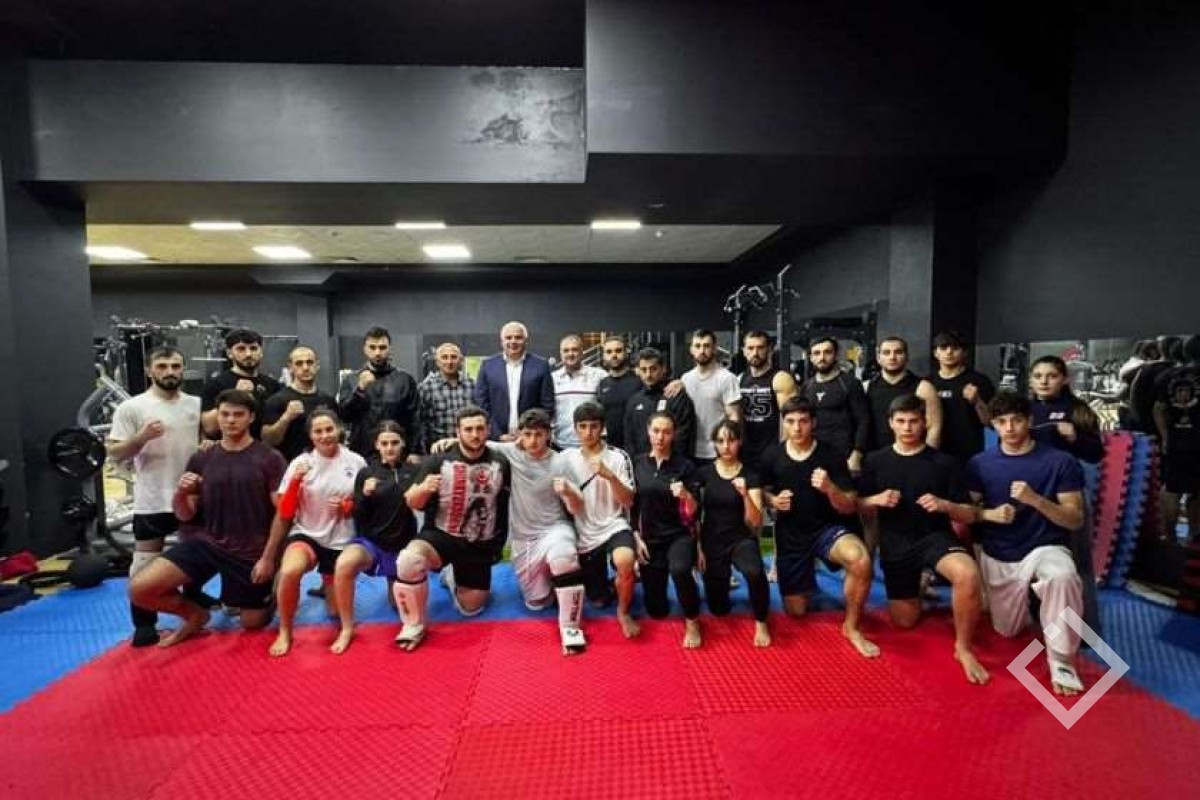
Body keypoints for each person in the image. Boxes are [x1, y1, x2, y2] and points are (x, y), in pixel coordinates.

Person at [129, 389, 286, 647]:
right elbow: (185, 513)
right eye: (225, 414)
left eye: (238, 415)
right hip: (208, 543)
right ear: (218, 417)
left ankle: (275, 586)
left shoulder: (269, 458)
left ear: (251, 417)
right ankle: (195, 615)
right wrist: (181, 493)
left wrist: (270, 558)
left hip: (251, 551)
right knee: (140, 589)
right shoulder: (202, 458)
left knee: (252, 622)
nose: (230, 420)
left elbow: (283, 512)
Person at [858, 394, 989, 684]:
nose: (907, 427)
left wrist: (946, 505)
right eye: (901, 421)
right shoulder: (876, 461)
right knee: (904, 621)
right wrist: (876, 499)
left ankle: (963, 648)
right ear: (891, 423)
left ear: (925, 422)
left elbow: (970, 514)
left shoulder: (944, 463)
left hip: (935, 537)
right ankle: (919, 583)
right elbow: (857, 505)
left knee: (967, 575)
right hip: (896, 542)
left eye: (914, 421)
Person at [966, 392, 1088, 696]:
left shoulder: (1059, 461)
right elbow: (967, 513)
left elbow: (1075, 520)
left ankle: (1062, 661)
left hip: (1045, 547)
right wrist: (988, 514)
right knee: (1007, 630)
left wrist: (1036, 500)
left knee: (1062, 576)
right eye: (1001, 422)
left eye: (1017, 420)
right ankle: (1035, 604)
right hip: (1000, 553)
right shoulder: (980, 464)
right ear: (993, 425)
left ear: (1029, 420)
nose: (1009, 428)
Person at [759, 397, 878, 658]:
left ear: (813, 422)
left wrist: (830, 488)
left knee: (860, 561)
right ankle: (806, 574)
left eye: (803, 421)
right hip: (791, 535)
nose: (797, 428)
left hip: (828, 528)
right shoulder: (772, 455)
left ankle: (852, 626)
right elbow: (762, 493)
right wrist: (773, 500)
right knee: (796, 611)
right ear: (783, 423)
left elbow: (850, 504)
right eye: (791, 421)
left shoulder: (831, 455)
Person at [391, 406, 511, 650]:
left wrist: (497, 544)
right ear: (457, 432)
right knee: (409, 560)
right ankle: (413, 625)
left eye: (480, 428)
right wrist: (424, 489)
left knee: (472, 608)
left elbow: (502, 506)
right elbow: (411, 501)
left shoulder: (500, 462)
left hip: (479, 542)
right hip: (442, 534)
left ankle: (451, 576)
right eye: (468, 429)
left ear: (488, 430)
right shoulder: (438, 460)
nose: (475, 434)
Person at [108, 346, 204, 647]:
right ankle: (144, 623)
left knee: (197, 554)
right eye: (162, 366)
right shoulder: (133, 408)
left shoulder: (195, 405)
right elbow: (114, 452)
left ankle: (194, 602)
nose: (169, 372)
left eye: (175, 366)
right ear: (150, 370)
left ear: (183, 369)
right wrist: (141, 437)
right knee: (144, 562)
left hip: (191, 496)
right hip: (152, 497)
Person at [479, 408, 589, 654]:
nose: (532, 441)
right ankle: (556, 583)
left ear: (548, 434)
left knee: (564, 558)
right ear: (520, 434)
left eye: (538, 434)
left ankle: (571, 628)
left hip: (555, 529)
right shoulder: (511, 453)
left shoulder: (560, 462)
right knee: (537, 603)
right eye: (527, 434)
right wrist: (449, 441)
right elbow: (479, 443)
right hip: (525, 539)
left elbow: (578, 506)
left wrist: (568, 491)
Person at [267, 409, 367, 657]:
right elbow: (285, 511)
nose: (325, 436)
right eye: (318, 431)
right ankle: (285, 630)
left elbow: (367, 505)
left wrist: (348, 507)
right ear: (311, 436)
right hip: (307, 534)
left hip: (341, 539)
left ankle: (336, 604)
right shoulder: (301, 463)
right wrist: (295, 482)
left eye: (329, 429)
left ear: (339, 429)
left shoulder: (356, 462)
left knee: (335, 612)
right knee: (290, 571)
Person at [1028, 355, 1104, 632]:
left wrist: (1075, 437)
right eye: (1038, 376)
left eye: (1051, 376)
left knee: (1075, 562)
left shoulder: (1078, 410)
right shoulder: (1025, 410)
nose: (1044, 381)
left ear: (1064, 379)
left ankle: (1079, 627)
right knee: (1032, 561)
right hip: (1031, 493)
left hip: (1066, 495)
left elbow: (1096, 454)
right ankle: (1036, 622)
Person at [331, 421, 419, 654]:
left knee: (397, 605)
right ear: (377, 445)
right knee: (344, 564)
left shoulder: (413, 471)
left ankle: (399, 580)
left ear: (402, 444)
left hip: (403, 547)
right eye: (384, 443)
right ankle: (346, 628)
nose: (389, 448)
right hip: (373, 543)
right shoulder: (367, 473)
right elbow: (358, 515)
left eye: (394, 443)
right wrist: (364, 496)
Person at [560, 401, 642, 638]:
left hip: (614, 525)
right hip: (585, 533)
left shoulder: (618, 457)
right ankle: (618, 582)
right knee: (597, 600)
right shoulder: (565, 458)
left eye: (594, 426)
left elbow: (628, 502)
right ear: (575, 428)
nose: (588, 432)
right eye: (583, 426)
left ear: (602, 427)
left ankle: (623, 612)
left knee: (624, 560)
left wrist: (611, 477)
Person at [697, 419, 771, 647]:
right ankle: (722, 583)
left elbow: (755, 522)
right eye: (720, 441)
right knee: (718, 609)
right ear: (714, 444)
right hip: (712, 540)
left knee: (754, 571)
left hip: (741, 538)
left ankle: (762, 621)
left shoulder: (750, 475)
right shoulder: (704, 474)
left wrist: (745, 495)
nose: (726, 446)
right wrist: (698, 547)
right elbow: (694, 516)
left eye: (731, 440)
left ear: (739, 442)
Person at [632, 412, 703, 648]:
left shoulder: (685, 466)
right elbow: (631, 506)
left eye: (666, 432)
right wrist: (635, 537)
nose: (660, 437)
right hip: (650, 539)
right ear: (648, 432)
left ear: (674, 435)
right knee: (657, 611)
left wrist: (686, 495)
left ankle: (693, 620)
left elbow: (695, 512)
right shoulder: (638, 463)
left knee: (680, 570)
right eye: (656, 431)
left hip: (678, 536)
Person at [338, 326, 422, 459]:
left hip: (397, 453)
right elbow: (344, 416)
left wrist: (415, 451)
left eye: (382, 347)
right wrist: (359, 389)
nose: (377, 352)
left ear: (389, 349)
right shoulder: (351, 380)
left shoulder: (405, 380)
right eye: (372, 347)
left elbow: (415, 419)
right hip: (362, 453)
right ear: (365, 349)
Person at [474, 320, 555, 441]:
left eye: (518, 337)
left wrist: (528, 433)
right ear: (501, 342)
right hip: (496, 439)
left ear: (526, 341)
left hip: (531, 439)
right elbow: (481, 403)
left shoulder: (541, 366)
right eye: (508, 337)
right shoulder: (488, 365)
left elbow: (547, 405)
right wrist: (498, 435)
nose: (513, 341)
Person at [1153, 335, 1200, 542]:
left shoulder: (1166, 376)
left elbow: (1158, 409)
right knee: (1196, 491)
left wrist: (1165, 437)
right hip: (1197, 441)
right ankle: (1194, 533)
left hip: (1175, 442)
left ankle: (1169, 536)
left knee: (1171, 488)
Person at [799, 337, 870, 475]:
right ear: (811, 358)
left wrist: (857, 454)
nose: (822, 358)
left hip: (843, 455)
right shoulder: (807, 386)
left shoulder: (850, 384)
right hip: (813, 454)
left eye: (827, 352)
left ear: (836, 355)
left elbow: (863, 420)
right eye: (817, 353)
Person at [200, 328, 282, 439]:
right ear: (229, 353)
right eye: (241, 349)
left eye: (253, 348)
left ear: (261, 352)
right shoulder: (216, 384)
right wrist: (235, 395)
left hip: (262, 447)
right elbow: (209, 428)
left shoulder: (273, 385)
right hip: (229, 447)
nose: (248, 354)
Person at [927, 330, 995, 463]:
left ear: (964, 352)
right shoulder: (927, 383)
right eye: (944, 348)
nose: (949, 352)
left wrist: (977, 401)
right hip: (935, 453)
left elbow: (992, 423)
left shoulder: (979, 381)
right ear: (935, 353)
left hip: (969, 454)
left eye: (955, 348)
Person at [865, 336, 942, 452]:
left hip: (913, 456)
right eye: (886, 353)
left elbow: (933, 428)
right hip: (873, 456)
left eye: (898, 352)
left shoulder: (924, 388)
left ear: (906, 356)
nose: (892, 357)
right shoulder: (866, 387)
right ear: (878, 358)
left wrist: (927, 459)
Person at [261, 345, 337, 461]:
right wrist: (286, 418)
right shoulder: (277, 400)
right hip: (290, 464)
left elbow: (337, 435)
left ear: (317, 365)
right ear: (290, 367)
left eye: (309, 362)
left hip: (324, 463)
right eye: (299, 363)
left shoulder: (328, 400)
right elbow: (268, 440)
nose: (305, 368)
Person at [680, 329, 742, 466]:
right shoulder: (685, 379)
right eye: (697, 346)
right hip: (690, 450)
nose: (702, 351)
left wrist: (729, 447)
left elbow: (734, 417)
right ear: (691, 349)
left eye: (706, 346)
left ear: (714, 349)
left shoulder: (727, 378)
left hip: (717, 451)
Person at [738, 330, 797, 470]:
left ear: (769, 349)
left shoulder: (780, 378)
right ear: (744, 351)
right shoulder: (739, 379)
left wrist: (783, 453)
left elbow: (789, 418)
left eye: (760, 347)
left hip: (772, 452)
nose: (755, 353)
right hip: (746, 453)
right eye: (750, 348)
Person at [623, 347, 696, 458]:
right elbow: (629, 438)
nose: (648, 374)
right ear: (637, 371)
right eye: (644, 369)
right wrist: (636, 462)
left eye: (653, 369)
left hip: (672, 463)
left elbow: (684, 436)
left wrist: (674, 462)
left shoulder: (676, 395)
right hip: (641, 464)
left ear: (663, 369)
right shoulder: (634, 400)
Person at [417, 342, 475, 454]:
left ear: (461, 360)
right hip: (438, 448)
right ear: (437, 362)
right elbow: (421, 422)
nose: (449, 362)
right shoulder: (426, 387)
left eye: (454, 357)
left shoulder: (472, 385)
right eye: (444, 357)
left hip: (467, 447)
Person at [551, 334, 607, 448]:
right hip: (560, 445)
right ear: (560, 353)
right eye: (566, 350)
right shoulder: (552, 378)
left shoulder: (599, 375)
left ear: (582, 352)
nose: (570, 354)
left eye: (574, 350)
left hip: (591, 445)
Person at [595, 336, 643, 451]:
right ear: (604, 356)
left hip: (638, 447)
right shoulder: (602, 384)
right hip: (611, 447)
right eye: (609, 352)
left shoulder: (640, 380)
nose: (614, 355)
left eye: (618, 350)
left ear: (626, 352)